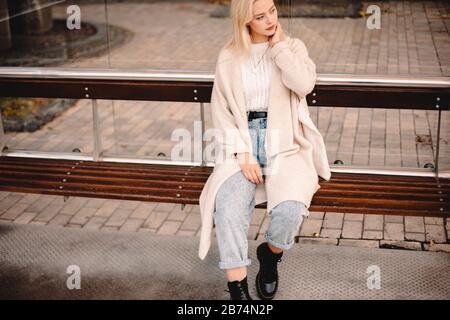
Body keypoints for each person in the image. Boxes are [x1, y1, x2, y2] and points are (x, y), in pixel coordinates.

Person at [198, 0, 332, 300]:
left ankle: (270, 256)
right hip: (242, 142)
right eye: (260, 16)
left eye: (272, 10)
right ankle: (238, 291)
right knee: (229, 209)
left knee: (290, 211)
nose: (270, 19)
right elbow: (221, 109)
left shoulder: (293, 46)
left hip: (286, 144)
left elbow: (304, 84)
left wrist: (280, 48)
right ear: (246, 21)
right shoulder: (229, 56)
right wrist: (243, 153)